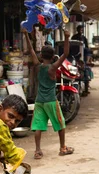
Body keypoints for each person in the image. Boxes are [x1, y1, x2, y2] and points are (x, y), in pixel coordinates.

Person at [23, 28, 75, 159]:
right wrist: (67, 37)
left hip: (39, 101)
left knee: (38, 126)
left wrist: (25, 34)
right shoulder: (52, 68)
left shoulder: (37, 66)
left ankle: (37, 150)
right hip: (51, 100)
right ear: (52, 57)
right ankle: (63, 147)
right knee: (60, 124)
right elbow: (66, 53)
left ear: (41, 56)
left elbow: (31, 51)